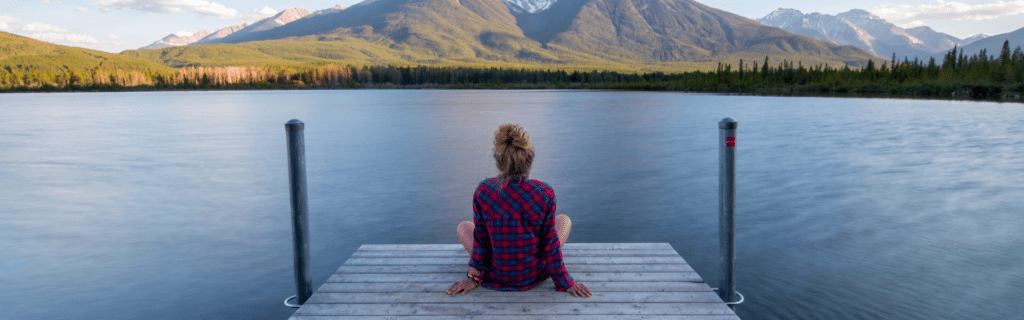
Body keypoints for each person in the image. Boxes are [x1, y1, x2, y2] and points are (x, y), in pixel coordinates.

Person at [446, 123, 592, 298]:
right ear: (529, 157)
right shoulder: (544, 192)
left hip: (495, 274)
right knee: (564, 221)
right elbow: (549, 243)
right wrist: (565, 282)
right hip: (532, 275)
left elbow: (481, 239)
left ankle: (484, 271)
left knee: (464, 227)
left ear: (499, 159)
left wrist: (472, 277)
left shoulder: (483, 190)